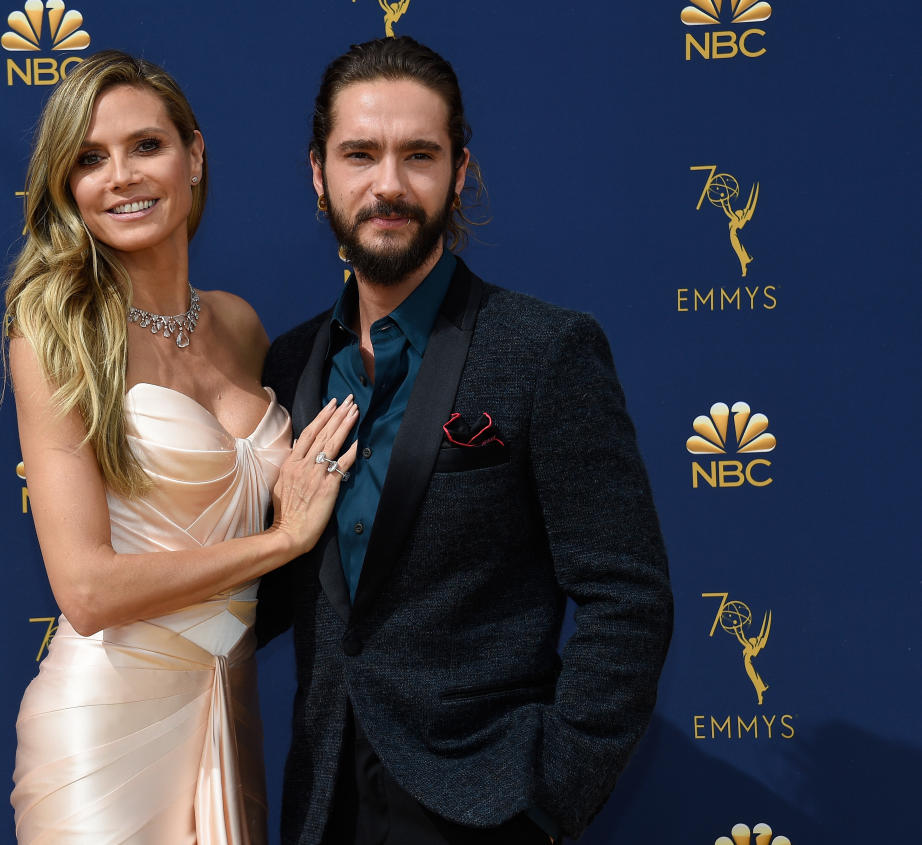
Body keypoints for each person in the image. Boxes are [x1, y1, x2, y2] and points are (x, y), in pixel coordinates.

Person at [257, 37, 673, 844]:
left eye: (419, 154)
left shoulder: (544, 350)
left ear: (460, 170)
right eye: (359, 154)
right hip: (321, 800)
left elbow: (629, 598)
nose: (389, 184)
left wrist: (548, 795)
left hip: (483, 803)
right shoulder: (288, 362)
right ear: (319, 174)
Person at [4, 50, 359, 844]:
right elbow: (87, 590)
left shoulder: (239, 323)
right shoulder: (54, 333)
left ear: (194, 155)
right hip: (104, 731)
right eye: (90, 159)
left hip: (226, 706)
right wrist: (281, 540)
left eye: (146, 146)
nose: (121, 175)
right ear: (67, 188)